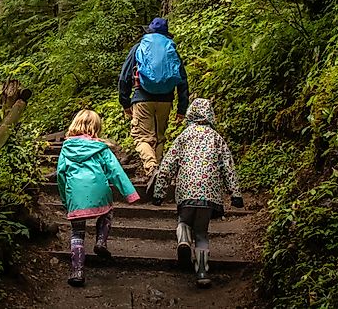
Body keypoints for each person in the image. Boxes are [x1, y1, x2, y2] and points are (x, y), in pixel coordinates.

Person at [152, 98, 244, 288]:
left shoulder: (184, 137)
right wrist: (235, 194)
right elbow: (228, 167)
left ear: (190, 114)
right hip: (209, 195)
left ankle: (184, 241)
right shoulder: (217, 138)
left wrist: (159, 192)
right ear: (210, 115)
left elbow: (168, 164)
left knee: (183, 221)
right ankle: (202, 272)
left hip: (186, 191)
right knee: (202, 232)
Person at [56, 109, 140, 287]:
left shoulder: (66, 148)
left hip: (75, 193)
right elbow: (115, 171)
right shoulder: (101, 148)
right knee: (107, 212)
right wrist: (129, 194)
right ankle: (101, 241)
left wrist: (65, 198)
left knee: (77, 232)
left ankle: (77, 271)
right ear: (96, 127)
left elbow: (60, 175)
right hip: (99, 190)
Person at [118, 17, 189, 179]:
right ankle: (158, 176)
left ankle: (152, 168)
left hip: (142, 98)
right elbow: (182, 80)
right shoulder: (171, 49)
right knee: (159, 137)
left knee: (142, 137)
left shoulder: (138, 48)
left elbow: (124, 77)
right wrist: (182, 109)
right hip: (166, 100)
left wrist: (125, 102)